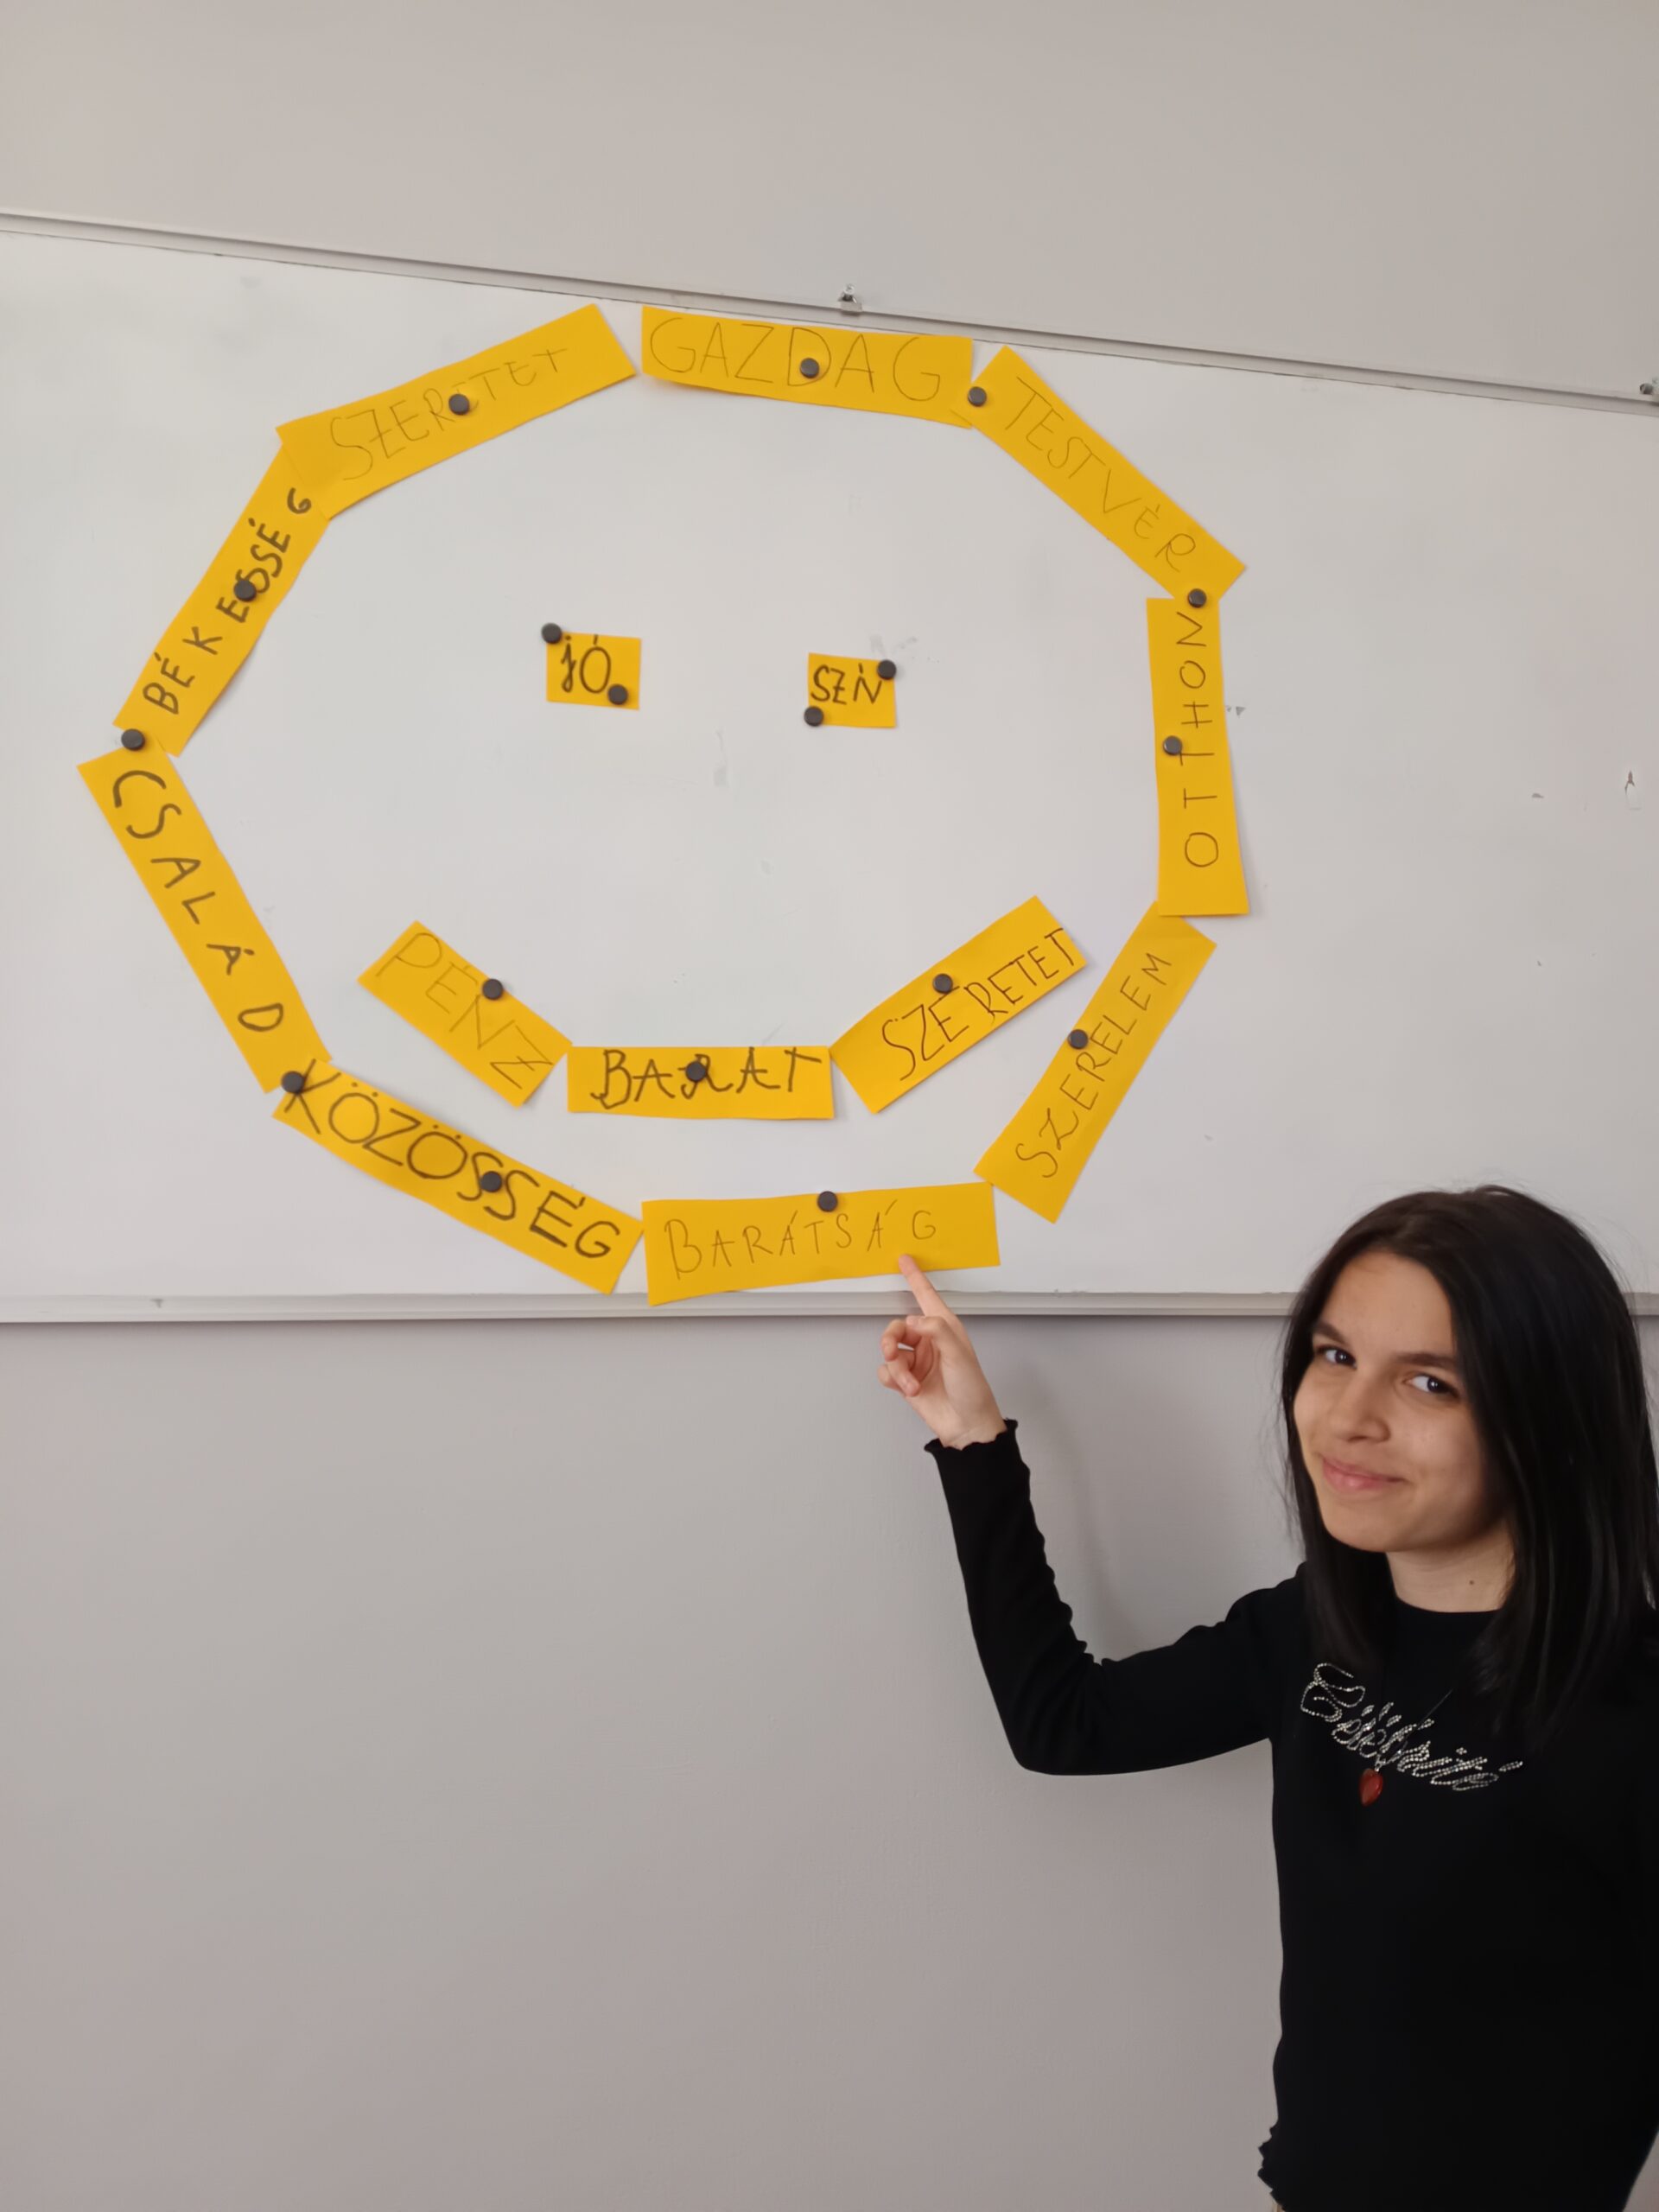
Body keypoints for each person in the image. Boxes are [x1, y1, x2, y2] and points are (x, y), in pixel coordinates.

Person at [878, 1185, 1659, 2212]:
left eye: (1430, 1382)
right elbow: (1062, 1724)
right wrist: (972, 1441)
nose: (1349, 1417)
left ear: (1550, 1420)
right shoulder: (1314, 1631)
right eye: (1334, 1356)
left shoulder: (1632, 1704)